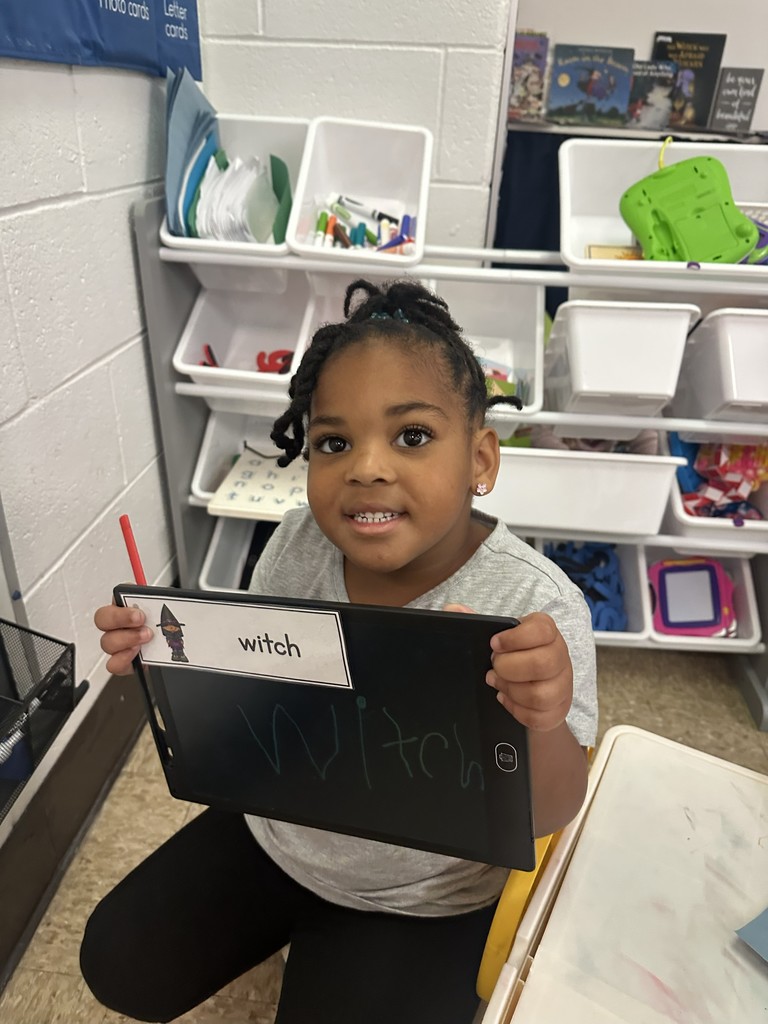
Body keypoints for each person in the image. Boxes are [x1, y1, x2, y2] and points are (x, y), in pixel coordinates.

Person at [84, 278, 598, 1024]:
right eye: (333, 442)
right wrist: (167, 658)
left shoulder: (536, 607)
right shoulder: (296, 541)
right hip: (279, 837)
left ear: (482, 459)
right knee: (117, 964)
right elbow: (255, 694)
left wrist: (539, 719)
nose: (366, 466)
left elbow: (552, 808)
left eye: (412, 436)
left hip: (422, 897)